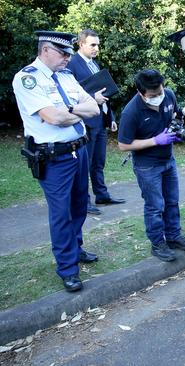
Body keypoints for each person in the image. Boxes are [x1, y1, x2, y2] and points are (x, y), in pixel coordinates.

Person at [12, 31, 100, 291]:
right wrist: (75, 112)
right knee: (61, 213)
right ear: (46, 50)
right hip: (53, 157)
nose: (68, 59)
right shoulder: (27, 78)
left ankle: (76, 248)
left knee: (79, 206)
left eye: (70, 54)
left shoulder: (67, 76)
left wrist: (70, 111)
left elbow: (94, 109)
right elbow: (52, 117)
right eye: (63, 53)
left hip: (79, 150)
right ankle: (67, 268)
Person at [117, 69, 185, 262]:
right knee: (155, 206)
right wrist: (155, 140)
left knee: (172, 201)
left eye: (160, 92)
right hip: (147, 165)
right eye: (153, 96)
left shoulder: (168, 95)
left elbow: (176, 116)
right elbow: (123, 145)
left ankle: (174, 237)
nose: (158, 97)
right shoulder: (131, 111)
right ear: (141, 93)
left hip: (168, 160)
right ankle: (157, 244)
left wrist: (177, 127)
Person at [68, 29, 125, 215]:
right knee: (86, 163)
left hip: (100, 121)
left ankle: (102, 195)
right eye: (93, 45)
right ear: (81, 44)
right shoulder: (72, 64)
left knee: (98, 162)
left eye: (98, 45)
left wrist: (111, 117)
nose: (96, 48)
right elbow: (70, 97)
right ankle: (83, 202)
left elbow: (104, 93)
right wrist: (93, 97)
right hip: (85, 121)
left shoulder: (94, 64)